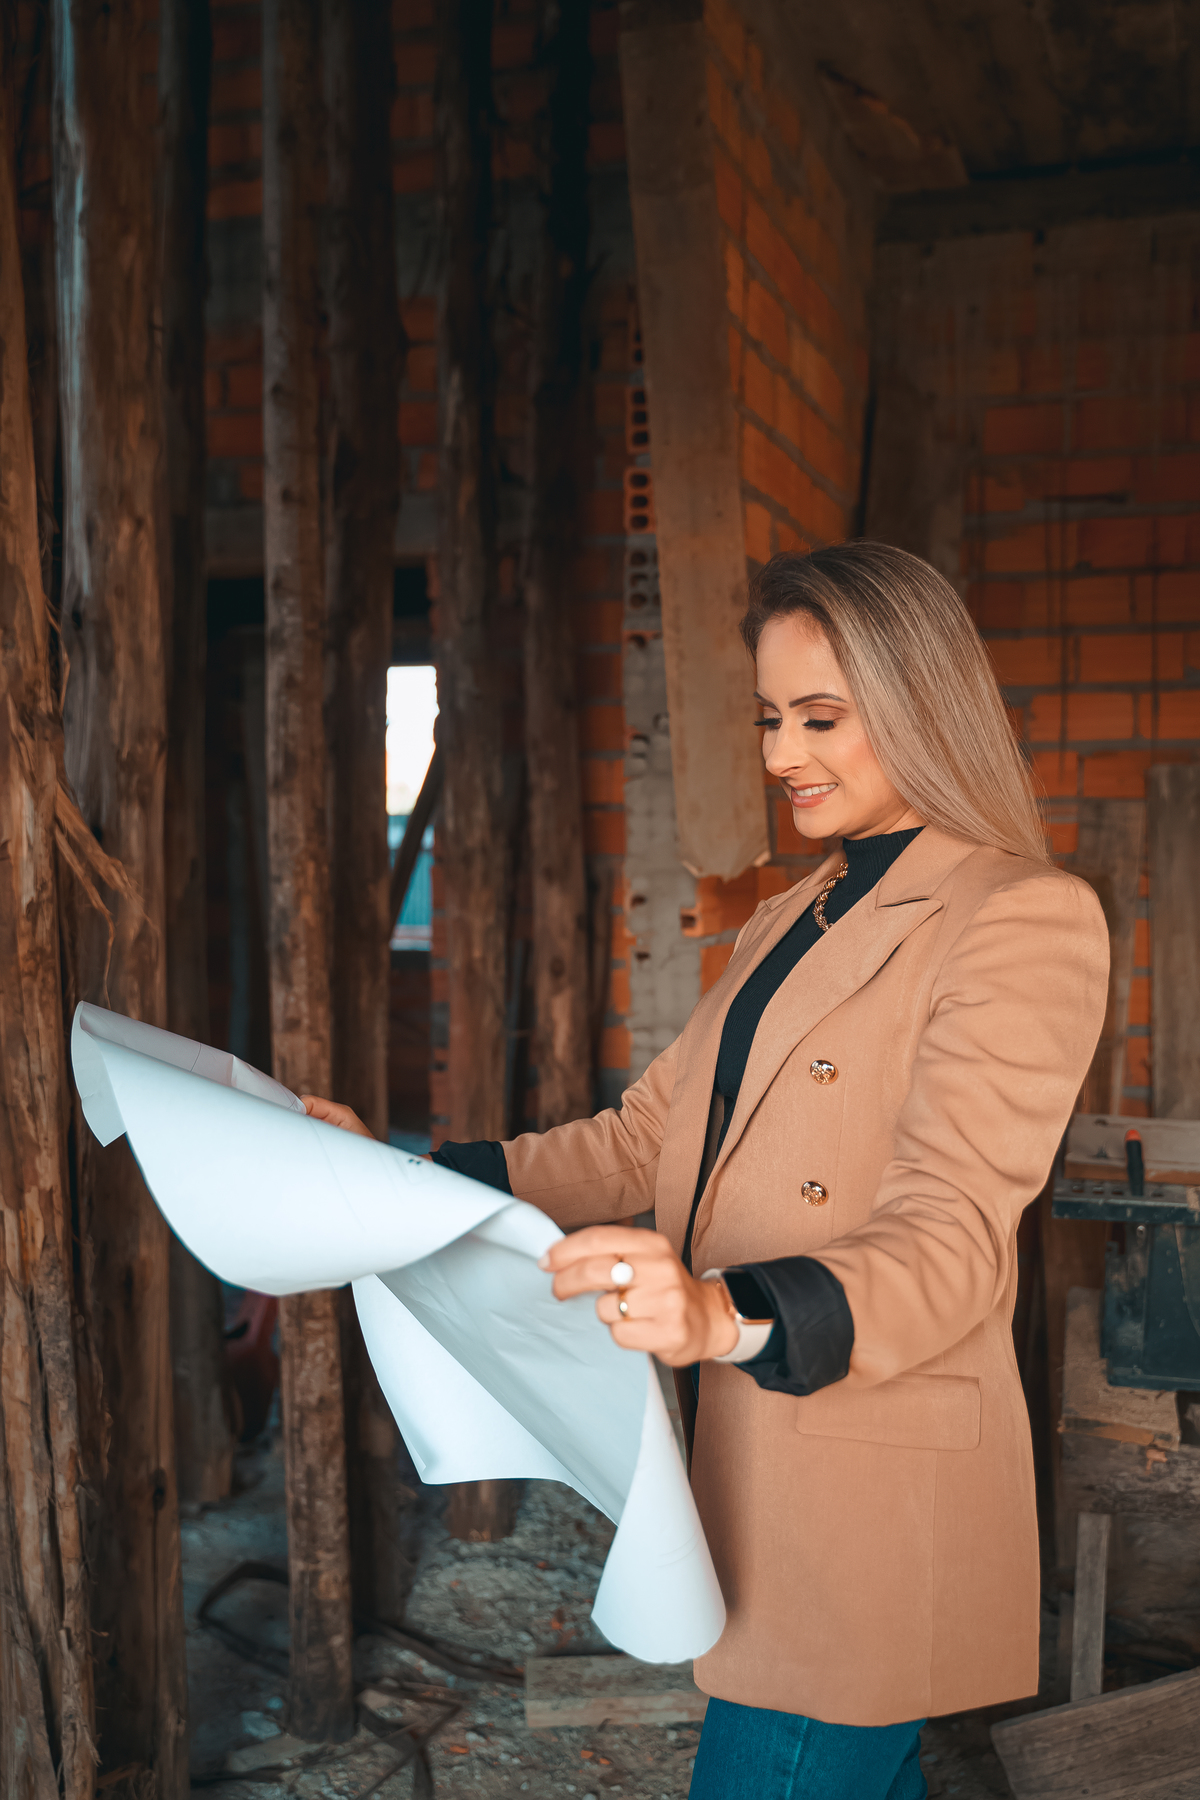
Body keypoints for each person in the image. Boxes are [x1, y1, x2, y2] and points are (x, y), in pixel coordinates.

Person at [307, 542, 1108, 1800]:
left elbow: (951, 1237)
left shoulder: (1022, 916)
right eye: (771, 717)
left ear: (921, 702)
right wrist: (402, 1176)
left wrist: (723, 1310)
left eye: (823, 718)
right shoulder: (798, 911)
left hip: (864, 1479)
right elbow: (637, 1139)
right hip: (750, 1449)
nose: (784, 752)